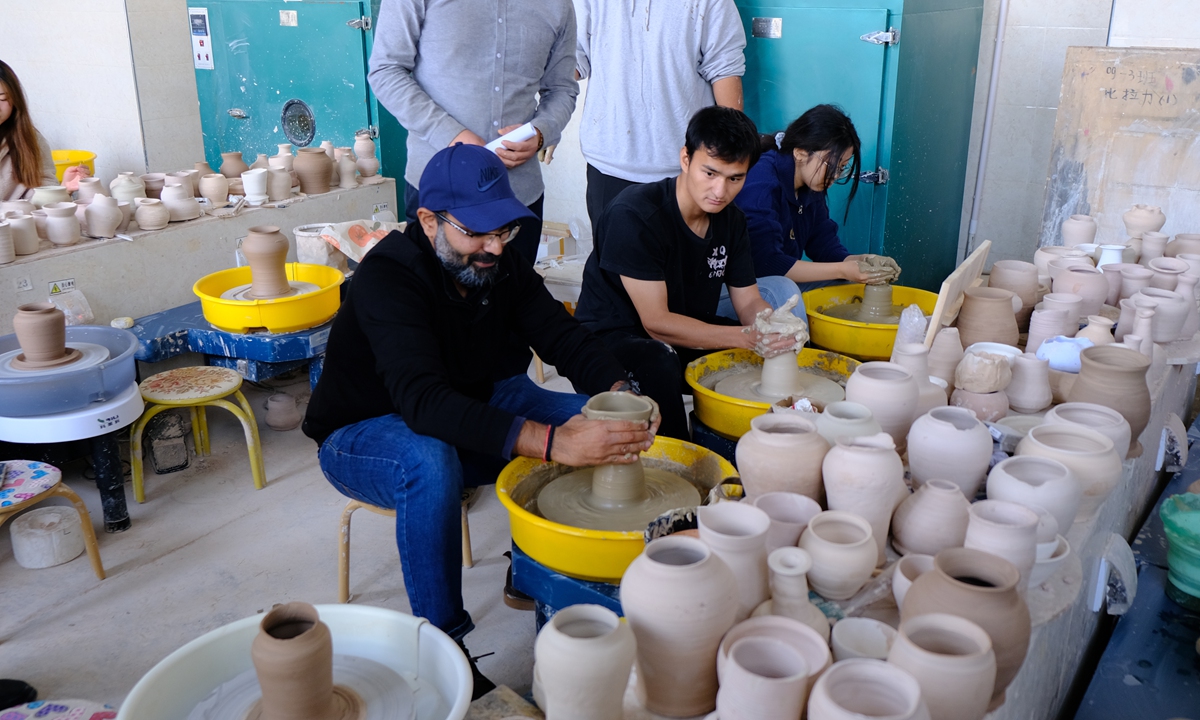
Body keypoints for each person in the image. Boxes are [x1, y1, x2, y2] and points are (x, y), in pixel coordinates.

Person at [303, 144, 655, 697]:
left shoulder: (498, 258)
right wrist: (551, 443)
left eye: (504, 231)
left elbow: (561, 336)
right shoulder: (388, 279)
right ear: (428, 219)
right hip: (365, 429)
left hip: (477, 396)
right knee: (431, 459)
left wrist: (617, 392)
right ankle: (444, 649)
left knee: (601, 427)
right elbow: (422, 402)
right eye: (477, 234)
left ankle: (538, 564)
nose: (493, 247)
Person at [574, 106, 799, 441]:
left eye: (734, 178)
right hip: (608, 342)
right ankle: (679, 461)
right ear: (685, 159)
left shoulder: (732, 221)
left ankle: (741, 447)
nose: (720, 191)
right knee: (661, 360)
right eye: (710, 173)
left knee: (760, 355)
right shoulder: (634, 215)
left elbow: (749, 300)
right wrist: (747, 336)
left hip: (682, 331)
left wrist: (771, 325)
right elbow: (656, 323)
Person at [367, 0, 579, 264]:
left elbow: (561, 89)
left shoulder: (558, 5)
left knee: (513, 303)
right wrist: (449, 134)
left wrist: (541, 132)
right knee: (434, 302)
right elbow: (385, 70)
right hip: (439, 195)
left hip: (518, 199)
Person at [574, 0, 747, 235]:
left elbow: (725, 69)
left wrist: (733, 156)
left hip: (684, 170)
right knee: (613, 266)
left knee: (684, 267)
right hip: (609, 163)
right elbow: (570, 59)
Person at [721, 104, 898, 319]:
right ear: (800, 153)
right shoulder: (762, 181)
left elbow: (824, 246)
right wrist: (842, 269)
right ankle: (803, 353)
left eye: (842, 167)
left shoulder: (811, 184)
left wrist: (862, 260)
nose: (835, 175)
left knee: (852, 285)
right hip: (730, 289)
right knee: (785, 291)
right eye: (831, 165)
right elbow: (766, 263)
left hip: (774, 278)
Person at [0, 61, 87, 202]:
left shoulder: (28, 139)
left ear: (15, 99)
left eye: (2, 98)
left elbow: (39, 201)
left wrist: (64, 188)